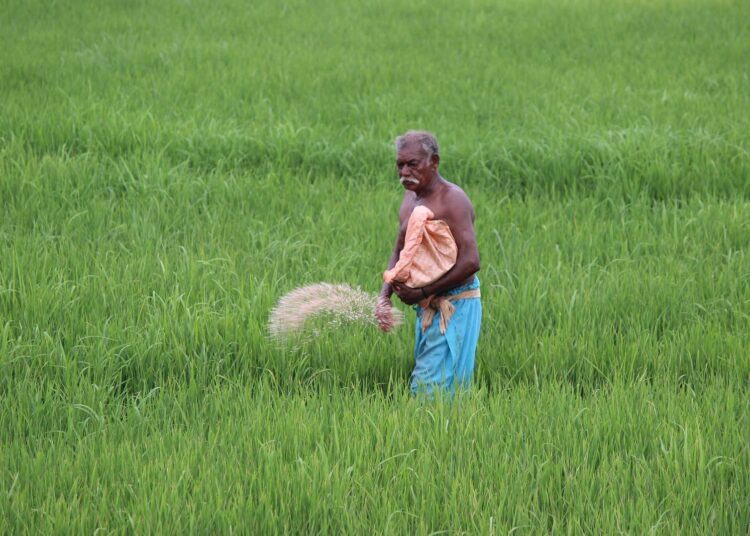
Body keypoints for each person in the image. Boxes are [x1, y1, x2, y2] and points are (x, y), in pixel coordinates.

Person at [375, 131, 482, 396]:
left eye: (413, 163)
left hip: (455, 304)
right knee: (437, 388)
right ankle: (444, 435)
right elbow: (401, 248)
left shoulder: (452, 200)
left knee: (428, 389)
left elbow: (471, 261)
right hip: (426, 305)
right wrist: (384, 296)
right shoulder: (411, 197)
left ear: (434, 162)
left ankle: (435, 434)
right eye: (400, 164)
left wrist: (422, 292)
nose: (404, 171)